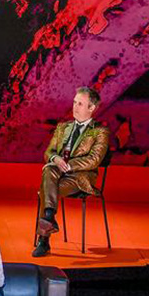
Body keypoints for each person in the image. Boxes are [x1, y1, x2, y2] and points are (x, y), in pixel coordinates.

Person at [33, 86, 111, 258]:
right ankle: (48, 218)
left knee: (47, 189)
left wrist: (68, 165)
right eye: (75, 102)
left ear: (92, 108)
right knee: (49, 170)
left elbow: (94, 159)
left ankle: (44, 239)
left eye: (80, 104)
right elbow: (48, 152)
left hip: (80, 177)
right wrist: (56, 159)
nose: (75, 107)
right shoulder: (63, 127)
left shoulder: (100, 131)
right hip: (57, 173)